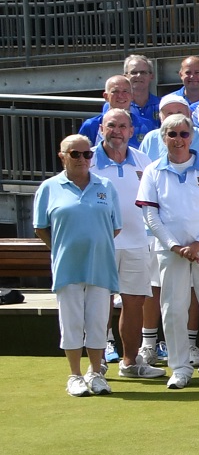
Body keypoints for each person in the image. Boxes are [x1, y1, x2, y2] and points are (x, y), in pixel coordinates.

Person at [138, 112, 199, 389]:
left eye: (184, 134)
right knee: (173, 309)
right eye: (172, 134)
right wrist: (175, 246)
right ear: (163, 137)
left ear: (191, 136)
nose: (178, 140)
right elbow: (150, 215)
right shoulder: (153, 170)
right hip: (171, 252)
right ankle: (179, 368)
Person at [35, 136, 122, 395]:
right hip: (67, 266)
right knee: (71, 322)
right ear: (62, 156)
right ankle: (74, 375)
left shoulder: (105, 185)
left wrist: (94, 244)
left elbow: (115, 227)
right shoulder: (49, 187)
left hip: (101, 265)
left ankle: (96, 373)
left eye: (87, 154)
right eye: (75, 154)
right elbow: (41, 227)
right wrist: (64, 248)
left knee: (97, 322)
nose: (83, 159)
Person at [91, 109, 161, 379]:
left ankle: (130, 363)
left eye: (123, 126)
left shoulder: (144, 160)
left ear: (131, 131)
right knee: (98, 304)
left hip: (137, 243)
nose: (117, 131)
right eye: (111, 125)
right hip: (100, 245)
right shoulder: (88, 160)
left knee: (134, 303)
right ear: (101, 129)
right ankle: (96, 366)